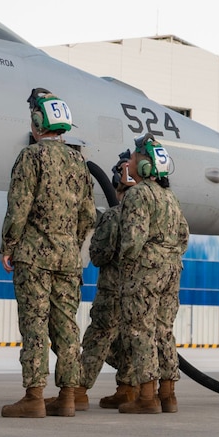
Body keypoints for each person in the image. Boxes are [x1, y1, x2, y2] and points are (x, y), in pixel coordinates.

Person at [0, 89, 95, 418]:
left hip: (34, 256)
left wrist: (9, 245)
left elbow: (19, 207)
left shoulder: (31, 156)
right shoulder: (79, 160)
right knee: (67, 326)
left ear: (38, 122)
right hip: (68, 258)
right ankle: (68, 395)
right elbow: (88, 216)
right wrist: (71, 242)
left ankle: (34, 396)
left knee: (35, 325)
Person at [111, 136, 190, 414]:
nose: (129, 162)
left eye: (133, 158)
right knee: (163, 330)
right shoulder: (171, 197)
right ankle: (168, 395)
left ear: (145, 165)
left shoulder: (138, 194)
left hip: (145, 272)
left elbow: (132, 240)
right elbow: (183, 236)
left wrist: (127, 263)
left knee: (140, 330)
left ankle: (146, 396)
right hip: (171, 270)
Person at [80, 151, 132, 405]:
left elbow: (99, 255)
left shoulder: (115, 215)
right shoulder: (163, 207)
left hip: (112, 289)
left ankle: (77, 390)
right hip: (141, 292)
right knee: (130, 340)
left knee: (98, 337)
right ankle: (129, 388)